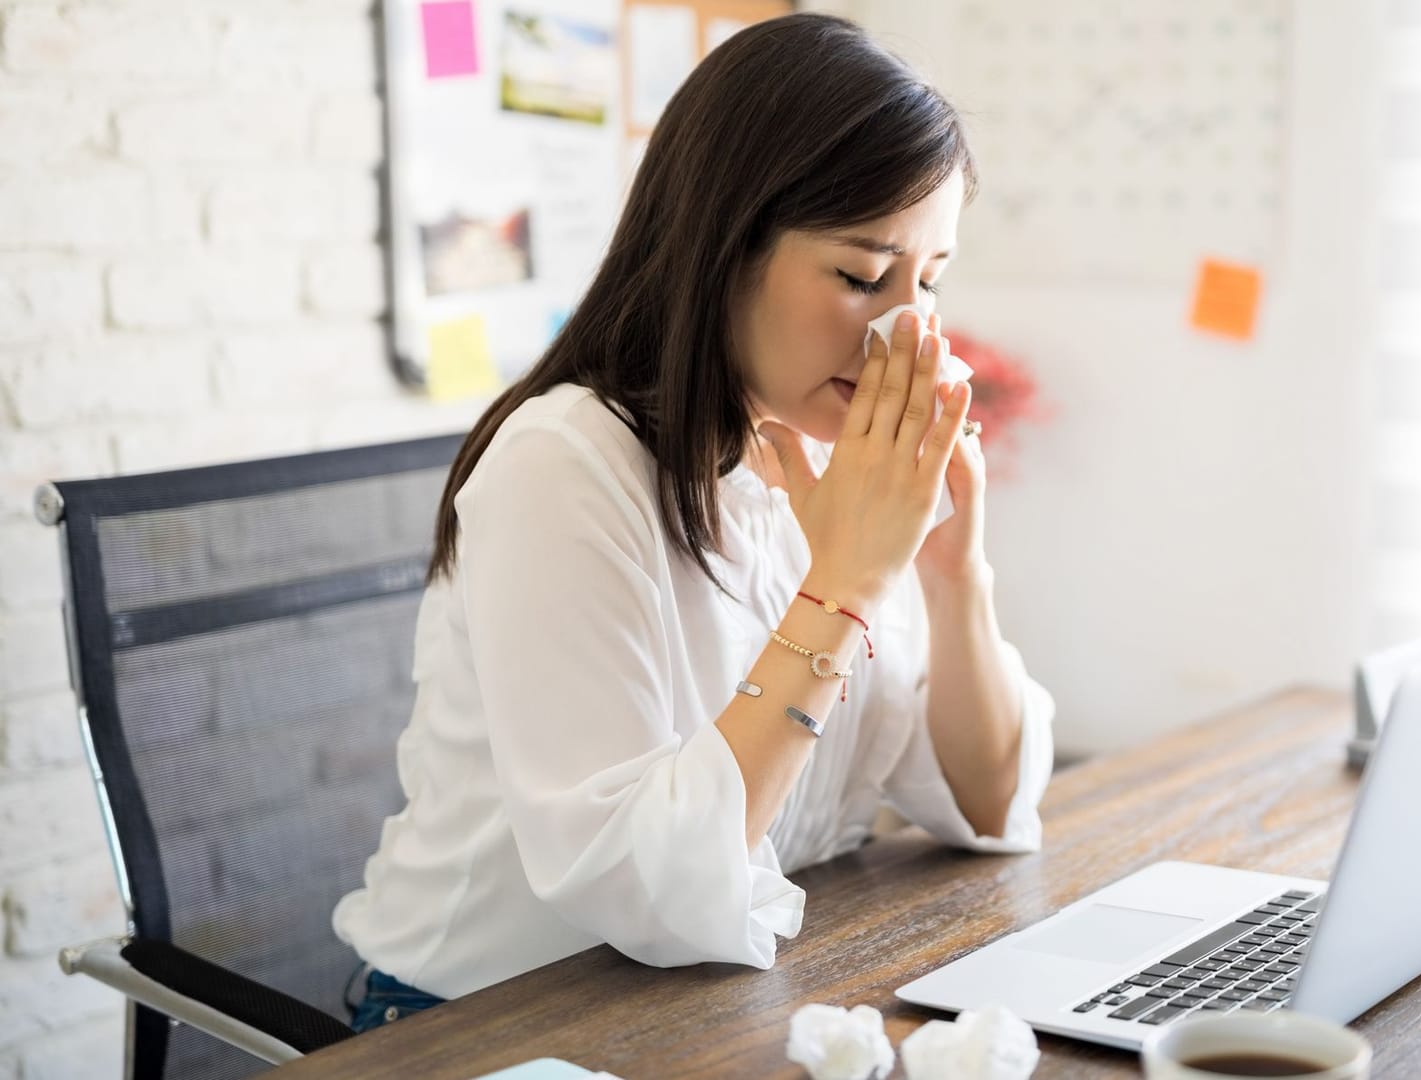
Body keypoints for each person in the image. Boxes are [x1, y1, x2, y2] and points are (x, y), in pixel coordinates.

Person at [333, 12, 1055, 1032]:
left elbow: (987, 804)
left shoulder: (820, 455)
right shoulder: (565, 465)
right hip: (482, 1024)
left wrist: (949, 566)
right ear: (723, 247)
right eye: (860, 275)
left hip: (715, 1011)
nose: (909, 329)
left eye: (928, 281)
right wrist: (841, 587)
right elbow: (643, 893)